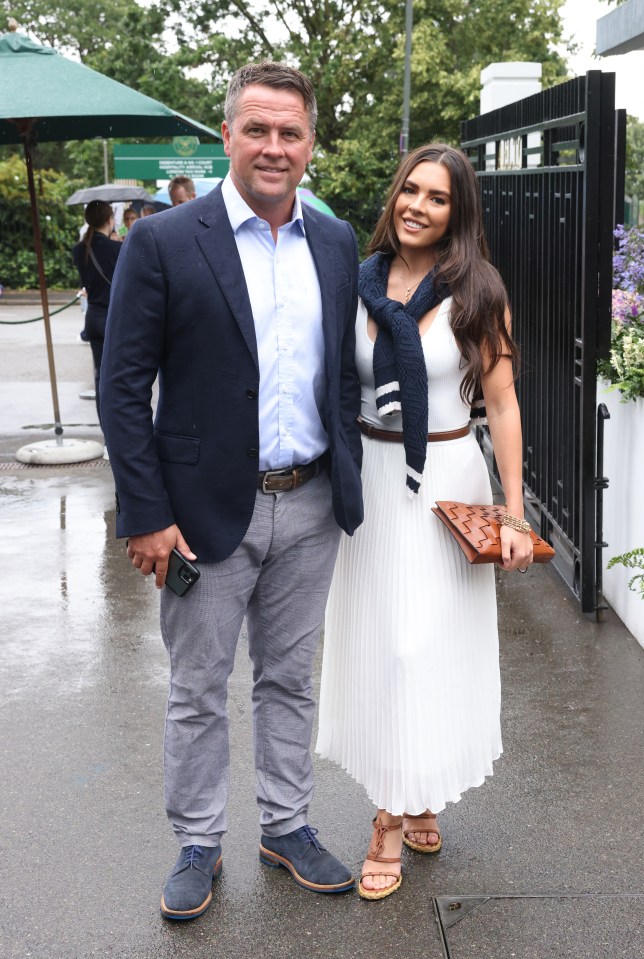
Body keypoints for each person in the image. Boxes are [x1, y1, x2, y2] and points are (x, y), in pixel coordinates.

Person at [99, 60, 363, 920]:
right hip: (201, 515)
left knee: (290, 679)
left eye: (290, 132)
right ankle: (198, 840)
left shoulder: (334, 242)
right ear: (227, 136)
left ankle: (285, 824)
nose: (274, 147)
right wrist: (144, 512)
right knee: (197, 685)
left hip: (313, 502)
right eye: (257, 129)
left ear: (310, 142)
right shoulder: (164, 241)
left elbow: (344, 379)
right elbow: (122, 384)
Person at [316, 142, 533, 900]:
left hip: (444, 481)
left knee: (423, 650)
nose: (417, 205)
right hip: (371, 483)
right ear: (394, 196)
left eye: (437, 197)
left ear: (456, 212)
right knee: (383, 647)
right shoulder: (356, 281)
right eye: (410, 189)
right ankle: (406, 797)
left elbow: (500, 403)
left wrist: (512, 509)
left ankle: (390, 814)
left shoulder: (477, 290)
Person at [72, 200, 121, 433]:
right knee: (122, 381)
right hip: (117, 319)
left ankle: (107, 438)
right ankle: (120, 435)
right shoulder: (117, 249)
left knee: (101, 379)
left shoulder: (79, 249)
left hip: (93, 317)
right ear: (110, 219)